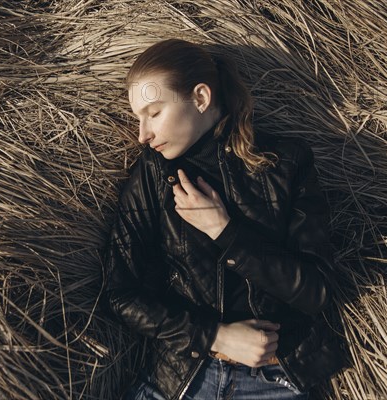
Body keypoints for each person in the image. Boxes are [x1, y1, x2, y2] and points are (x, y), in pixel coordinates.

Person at [103, 39, 348, 400]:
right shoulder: (153, 174)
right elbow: (120, 292)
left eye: (154, 113)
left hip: (273, 381)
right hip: (183, 377)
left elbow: (316, 292)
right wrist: (215, 336)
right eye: (138, 117)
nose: (143, 134)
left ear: (200, 98)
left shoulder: (286, 163)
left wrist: (225, 231)